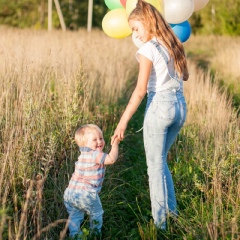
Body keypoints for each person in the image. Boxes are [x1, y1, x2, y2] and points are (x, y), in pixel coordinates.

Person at [111, 0, 188, 230]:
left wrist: (122, 122)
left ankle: (161, 225)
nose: (135, 34)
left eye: (136, 28)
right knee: (160, 161)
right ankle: (172, 214)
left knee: (153, 167)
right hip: (179, 107)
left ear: (147, 21)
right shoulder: (172, 42)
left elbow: (140, 90)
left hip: (160, 106)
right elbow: (185, 76)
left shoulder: (147, 49)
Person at [64, 124, 120, 238]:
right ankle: (95, 234)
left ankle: (75, 235)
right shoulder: (94, 155)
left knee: (74, 215)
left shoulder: (82, 156)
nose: (99, 142)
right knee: (96, 213)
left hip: (70, 193)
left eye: (101, 138)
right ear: (84, 144)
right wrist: (115, 145)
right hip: (86, 193)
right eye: (95, 140)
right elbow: (111, 159)